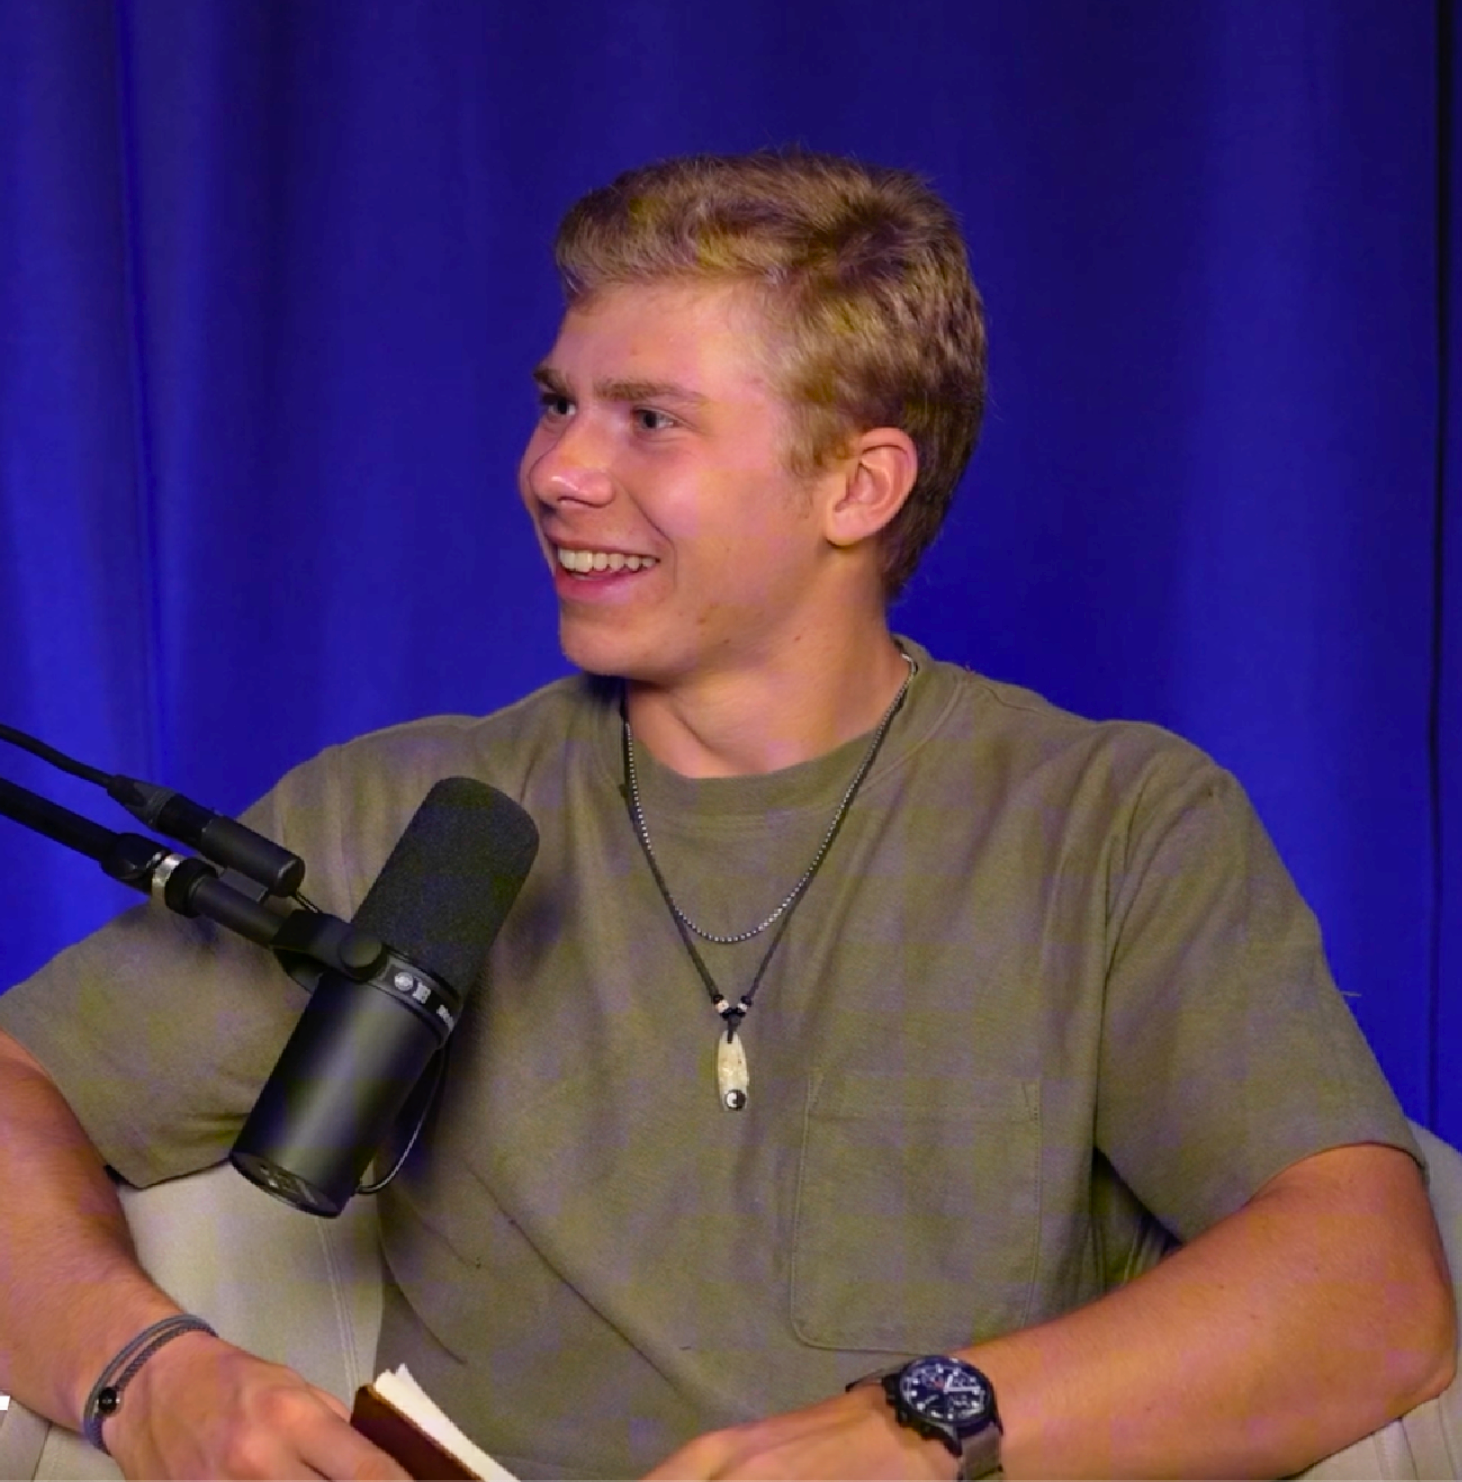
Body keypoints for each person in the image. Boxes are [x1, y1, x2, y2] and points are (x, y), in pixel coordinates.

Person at [0, 149, 1454, 1481]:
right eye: (557, 403)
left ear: (856, 484)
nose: (558, 471)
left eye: (649, 421)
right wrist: (147, 1372)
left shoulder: (1110, 824)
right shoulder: (411, 817)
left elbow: (1367, 1289)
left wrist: (914, 1434)